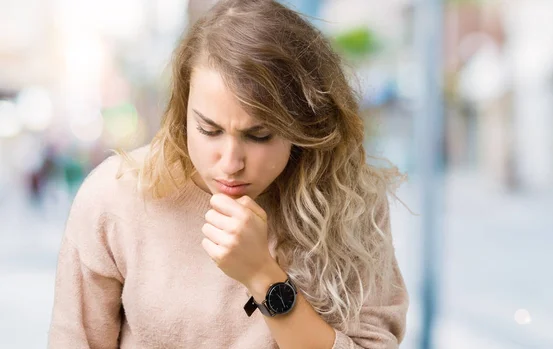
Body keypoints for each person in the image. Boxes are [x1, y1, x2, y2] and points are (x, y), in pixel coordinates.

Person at [48, 0, 409, 348]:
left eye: (260, 135)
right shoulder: (115, 198)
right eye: (209, 130)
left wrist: (262, 276)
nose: (231, 162)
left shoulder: (350, 203)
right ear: (182, 110)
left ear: (302, 125)